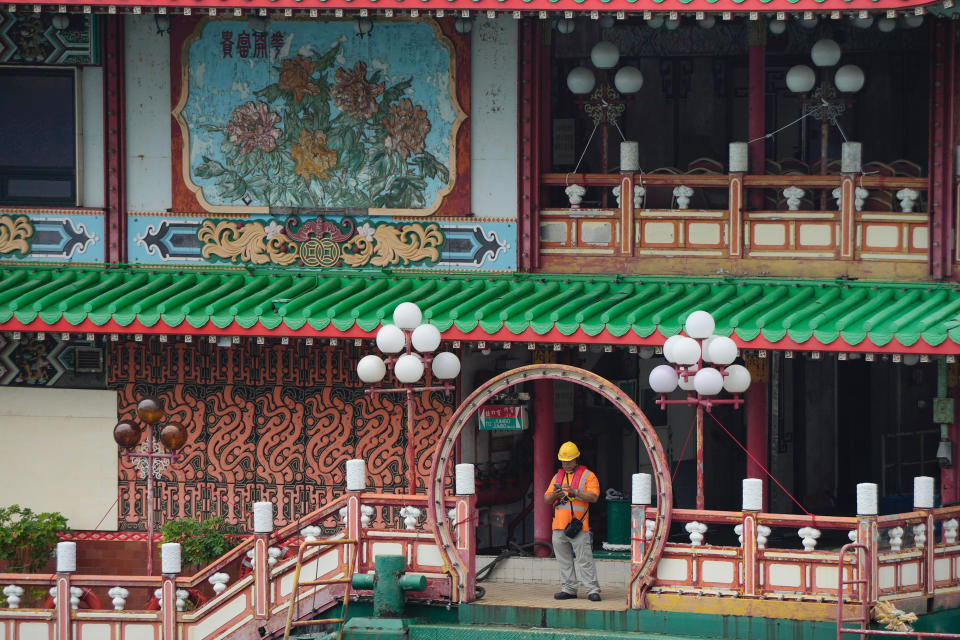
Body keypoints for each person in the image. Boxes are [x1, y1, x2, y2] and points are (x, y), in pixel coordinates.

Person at [543, 441, 601, 602]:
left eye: (569, 461)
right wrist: (556, 494)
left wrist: (575, 492)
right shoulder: (557, 477)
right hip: (559, 527)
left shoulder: (589, 476)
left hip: (579, 527)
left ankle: (592, 590)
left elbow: (594, 497)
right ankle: (568, 589)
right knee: (564, 561)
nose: (566, 464)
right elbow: (546, 499)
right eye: (563, 461)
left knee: (585, 560)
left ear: (576, 459)